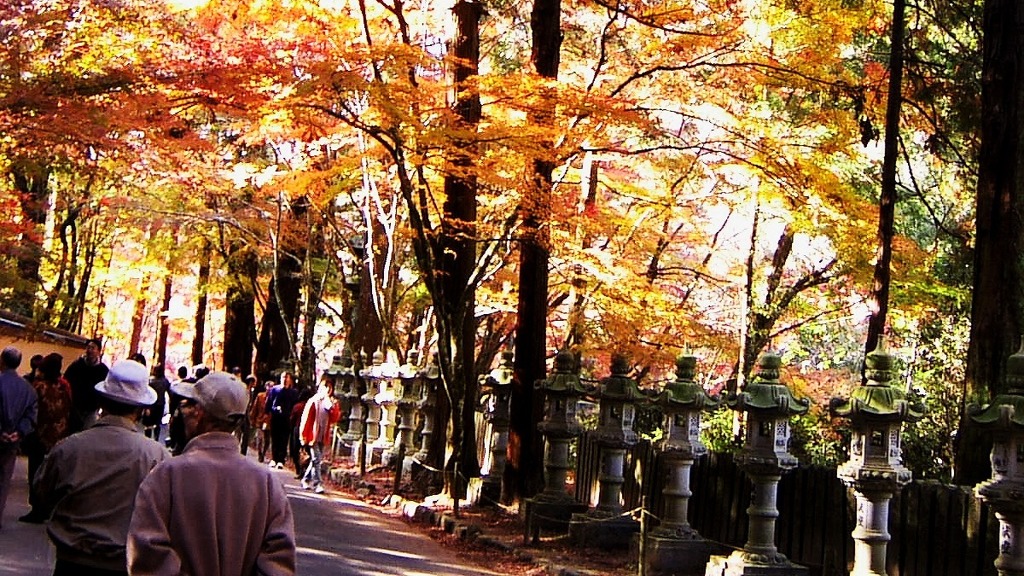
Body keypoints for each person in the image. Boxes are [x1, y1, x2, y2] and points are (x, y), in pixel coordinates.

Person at [127, 371, 296, 575]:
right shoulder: (267, 483)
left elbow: (146, 551)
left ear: (199, 413)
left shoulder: (167, 475)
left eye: (188, 405)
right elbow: (278, 560)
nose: (185, 412)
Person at [33, 359, 169, 575]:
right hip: (123, 563)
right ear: (141, 408)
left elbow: (42, 495)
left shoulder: (69, 448)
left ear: (102, 401)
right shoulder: (156, 456)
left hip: (72, 561)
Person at [19, 352, 71, 524]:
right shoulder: (64, 386)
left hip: (39, 435)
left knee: (36, 471)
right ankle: (50, 506)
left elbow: (30, 409)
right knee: (54, 472)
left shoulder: (38, 387)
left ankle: (37, 507)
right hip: (59, 434)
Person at [0, 346, 38, 530]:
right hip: (13, 441)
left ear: (2, 360)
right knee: (4, 479)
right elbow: (31, 416)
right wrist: (19, 432)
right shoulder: (28, 390)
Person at [299, 378, 341, 493]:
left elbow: (335, 419)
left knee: (315, 460)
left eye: (330, 387)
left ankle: (306, 479)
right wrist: (303, 436)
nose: (327, 390)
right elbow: (306, 419)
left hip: (323, 435)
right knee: (317, 459)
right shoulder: (314, 401)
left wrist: (333, 408)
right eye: (325, 387)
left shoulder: (330, 402)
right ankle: (318, 483)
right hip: (313, 435)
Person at [64, 338, 109, 433]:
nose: (90, 350)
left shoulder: (103, 370)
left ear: (99, 351)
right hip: (75, 407)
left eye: (93, 348)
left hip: (92, 410)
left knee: (87, 433)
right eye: (88, 347)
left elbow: (106, 389)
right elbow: (66, 382)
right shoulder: (76, 366)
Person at [265, 371, 298, 470]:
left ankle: (280, 460)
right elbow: (269, 403)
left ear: (289, 380)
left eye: (286, 378)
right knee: (275, 438)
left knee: (283, 440)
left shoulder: (293, 392)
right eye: (283, 377)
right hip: (275, 417)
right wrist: (270, 411)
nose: (284, 379)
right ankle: (274, 458)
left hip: (286, 418)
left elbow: (294, 406)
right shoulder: (274, 390)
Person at [142, 364, 168, 442]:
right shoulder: (165, 381)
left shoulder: (151, 382)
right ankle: (156, 439)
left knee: (148, 424)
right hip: (160, 405)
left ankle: (148, 439)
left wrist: (146, 407)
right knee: (157, 423)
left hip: (152, 405)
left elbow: (147, 395)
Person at [249, 380, 273, 463]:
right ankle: (260, 455)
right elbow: (255, 408)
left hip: (269, 422)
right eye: (269, 386)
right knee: (260, 439)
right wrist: (252, 419)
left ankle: (264, 452)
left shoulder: (274, 397)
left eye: (272, 387)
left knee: (267, 440)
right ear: (266, 387)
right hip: (260, 421)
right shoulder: (260, 396)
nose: (270, 388)